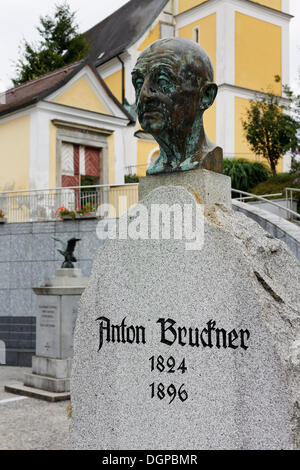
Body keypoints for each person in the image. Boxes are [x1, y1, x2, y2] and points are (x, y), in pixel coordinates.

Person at [132, 37, 222, 175]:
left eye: (162, 81)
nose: (144, 95)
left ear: (206, 96)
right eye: (139, 83)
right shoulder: (156, 167)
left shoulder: (208, 158)